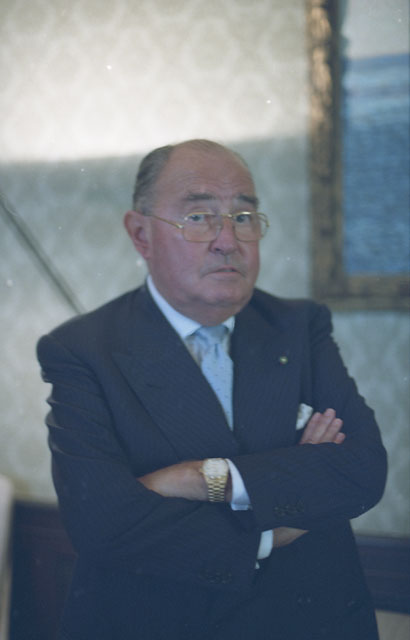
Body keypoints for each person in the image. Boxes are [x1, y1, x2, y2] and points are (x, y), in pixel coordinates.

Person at [37, 139, 387, 640]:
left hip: (307, 619)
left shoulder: (298, 326)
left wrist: (202, 478)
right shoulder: (83, 349)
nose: (228, 240)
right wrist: (274, 527)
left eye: (243, 216)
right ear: (141, 235)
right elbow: (102, 524)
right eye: (199, 217)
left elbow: (363, 470)